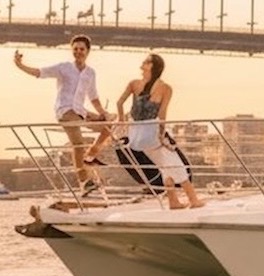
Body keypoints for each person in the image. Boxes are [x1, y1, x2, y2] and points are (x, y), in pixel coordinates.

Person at [13, 35, 111, 195]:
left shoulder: (90, 73)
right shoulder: (64, 68)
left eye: (81, 49)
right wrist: (20, 65)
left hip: (80, 111)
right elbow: (40, 72)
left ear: (88, 51)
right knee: (78, 144)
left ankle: (90, 156)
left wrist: (103, 113)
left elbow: (93, 97)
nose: (78, 52)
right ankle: (84, 181)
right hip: (65, 111)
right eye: (75, 49)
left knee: (109, 126)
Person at [116, 53, 204, 210]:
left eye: (145, 62)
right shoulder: (165, 88)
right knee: (176, 164)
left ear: (152, 65)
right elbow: (162, 115)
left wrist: (122, 120)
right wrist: (162, 136)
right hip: (152, 134)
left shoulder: (133, 84)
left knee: (164, 165)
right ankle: (194, 200)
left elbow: (119, 103)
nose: (142, 64)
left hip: (136, 136)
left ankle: (173, 201)